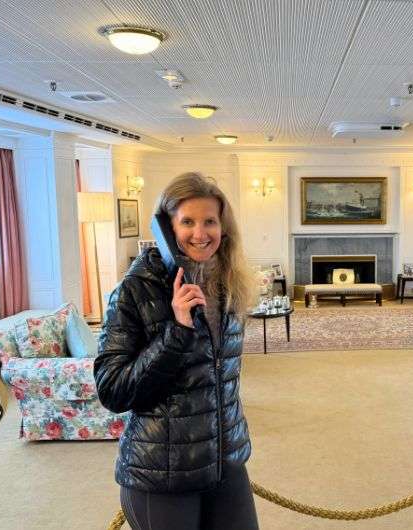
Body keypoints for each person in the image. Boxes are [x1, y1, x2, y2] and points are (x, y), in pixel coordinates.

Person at [94, 172, 259, 530]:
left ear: (223, 227)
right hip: (162, 470)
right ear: (166, 227)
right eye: (187, 222)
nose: (200, 234)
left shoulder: (229, 284)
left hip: (224, 460)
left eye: (209, 222)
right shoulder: (135, 289)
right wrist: (177, 330)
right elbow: (112, 389)